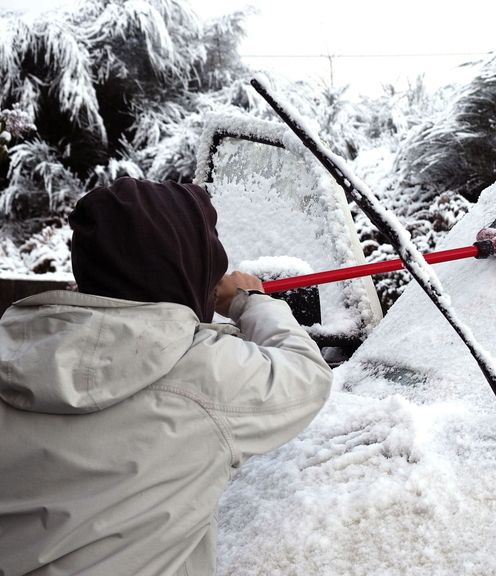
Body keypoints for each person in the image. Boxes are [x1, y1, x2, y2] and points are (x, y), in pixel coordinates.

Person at [0, 177, 333, 575]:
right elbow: (308, 374)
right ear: (186, 266)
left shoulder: (15, 351)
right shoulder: (203, 373)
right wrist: (251, 301)